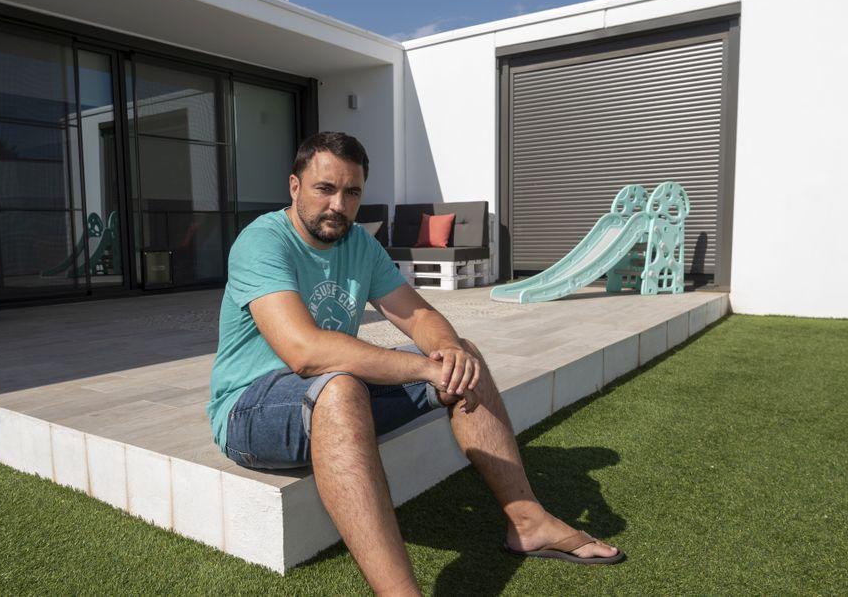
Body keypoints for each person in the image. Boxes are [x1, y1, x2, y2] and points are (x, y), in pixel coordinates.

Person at [206, 132, 623, 594]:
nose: (338, 205)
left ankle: (527, 522)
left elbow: (419, 314)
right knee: (341, 386)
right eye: (325, 188)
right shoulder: (262, 241)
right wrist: (425, 369)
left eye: (352, 192)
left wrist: (448, 352)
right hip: (252, 408)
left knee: (462, 353)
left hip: (335, 391)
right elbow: (306, 354)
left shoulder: (358, 246)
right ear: (295, 186)